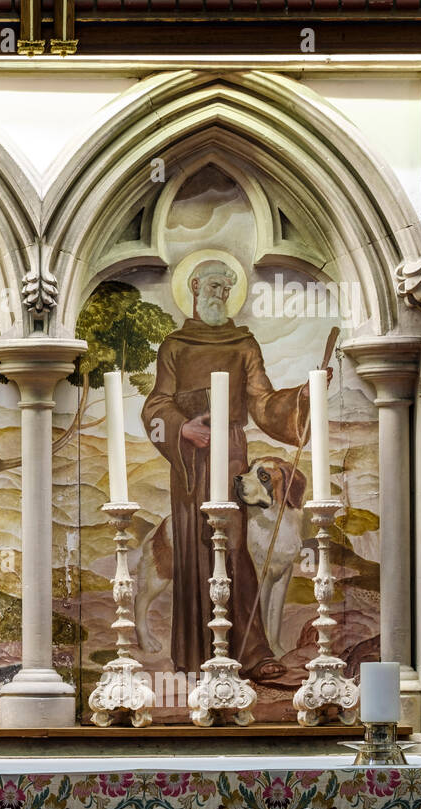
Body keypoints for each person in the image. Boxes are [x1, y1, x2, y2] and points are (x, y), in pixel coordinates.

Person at [141, 259, 328, 684]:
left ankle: (251, 653)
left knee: (237, 552)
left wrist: (302, 397)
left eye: (226, 289)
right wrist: (181, 427)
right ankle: (194, 655)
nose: (219, 295)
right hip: (191, 464)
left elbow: (261, 402)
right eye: (212, 286)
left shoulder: (244, 344)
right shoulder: (174, 346)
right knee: (194, 551)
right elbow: (155, 404)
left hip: (230, 461)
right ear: (192, 286)